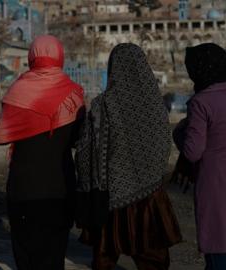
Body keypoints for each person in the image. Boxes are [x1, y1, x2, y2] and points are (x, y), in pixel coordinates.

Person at [75, 43, 182, 270]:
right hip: (150, 196)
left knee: (104, 257)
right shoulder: (155, 104)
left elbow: (86, 152)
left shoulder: (103, 104)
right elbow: (165, 144)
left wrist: (87, 187)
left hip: (111, 200)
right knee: (153, 260)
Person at [0, 35, 85, 270]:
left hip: (23, 188)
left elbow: (1, 135)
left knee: (26, 257)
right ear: (59, 57)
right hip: (59, 187)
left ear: (31, 56)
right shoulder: (74, 95)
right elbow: (79, 139)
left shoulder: (17, 92)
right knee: (54, 256)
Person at [173, 43, 226, 270]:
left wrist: (179, 132)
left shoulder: (202, 102)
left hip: (214, 185)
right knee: (225, 248)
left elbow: (193, 151)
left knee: (218, 253)